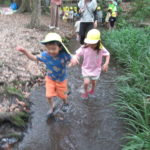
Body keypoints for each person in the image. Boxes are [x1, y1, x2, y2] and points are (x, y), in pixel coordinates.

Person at [16, 33, 77, 117]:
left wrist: (74, 59)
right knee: (48, 95)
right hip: (50, 79)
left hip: (61, 80)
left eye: (54, 49)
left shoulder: (64, 55)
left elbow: (73, 57)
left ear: (59, 47)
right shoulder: (45, 55)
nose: (51, 51)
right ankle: (52, 107)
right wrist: (25, 52)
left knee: (63, 95)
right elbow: (33, 58)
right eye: (48, 49)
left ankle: (65, 103)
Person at [70, 29, 110, 99]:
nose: (91, 45)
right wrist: (74, 57)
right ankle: (85, 92)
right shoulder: (84, 48)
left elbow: (108, 54)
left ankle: (92, 89)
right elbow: (77, 54)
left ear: (98, 42)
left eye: (93, 43)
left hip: (96, 69)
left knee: (93, 82)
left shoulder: (101, 48)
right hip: (86, 68)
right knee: (86, 82)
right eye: (90, 43)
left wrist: (106, 63)